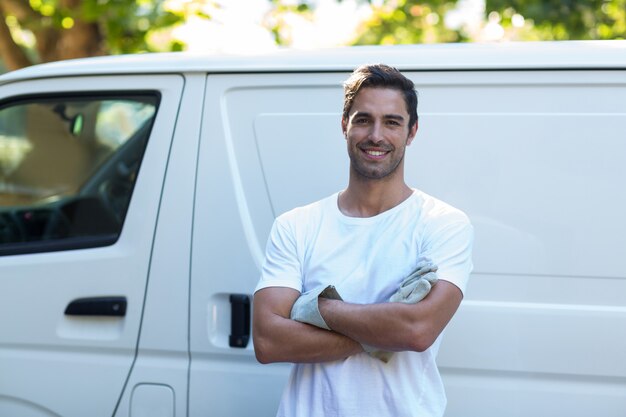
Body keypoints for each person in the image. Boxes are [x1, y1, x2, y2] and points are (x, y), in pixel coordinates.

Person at [252, 64, 474, 417]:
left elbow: (417, 330)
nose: (376, 135)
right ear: (345, 125)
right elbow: (267, 341)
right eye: (363, 119)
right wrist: (385, 332)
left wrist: (315, 309)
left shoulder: (442, 223)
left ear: (411, 131)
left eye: (392, 122)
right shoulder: (297, 225)